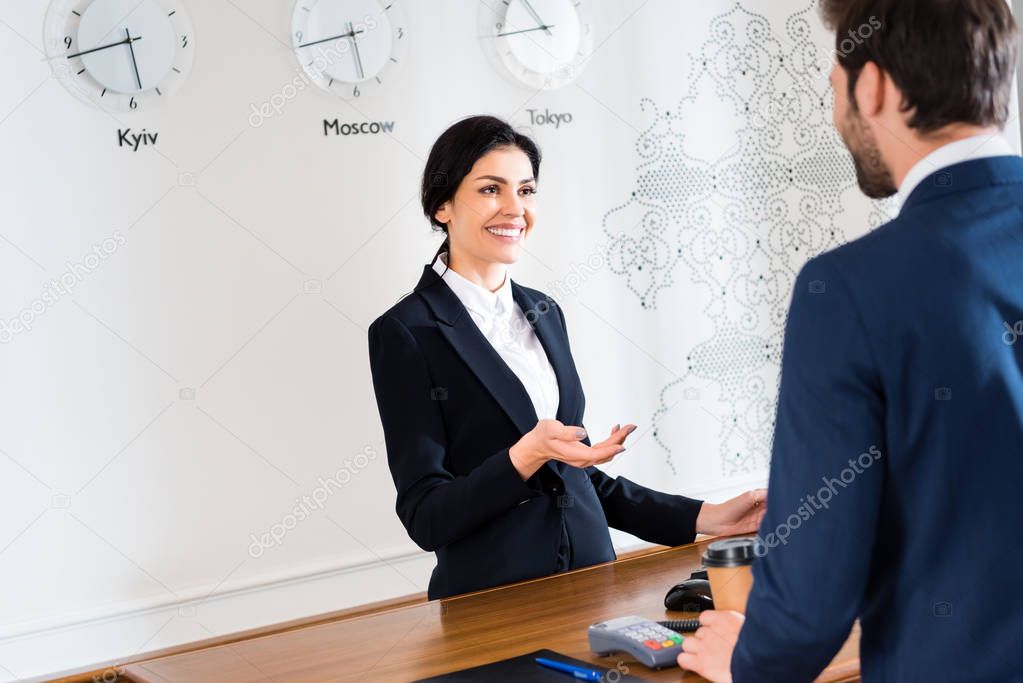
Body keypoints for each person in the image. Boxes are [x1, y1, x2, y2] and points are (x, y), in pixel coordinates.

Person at [677, 1, 1023, 681]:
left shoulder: (846, 289)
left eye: (834, 84)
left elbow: (809, 600)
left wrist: (745, 660)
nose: (834, 106)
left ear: (873, 87)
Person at [368, 115, 766, 600]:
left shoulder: (544, 311)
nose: (515, 209)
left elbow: (576, 477)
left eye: (527, 191)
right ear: (443, 205)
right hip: (493, 606)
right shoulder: (407, 332)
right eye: (491, 190)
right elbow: (426, 516)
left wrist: (706, 517)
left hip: (593, 585)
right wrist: (526, 455)